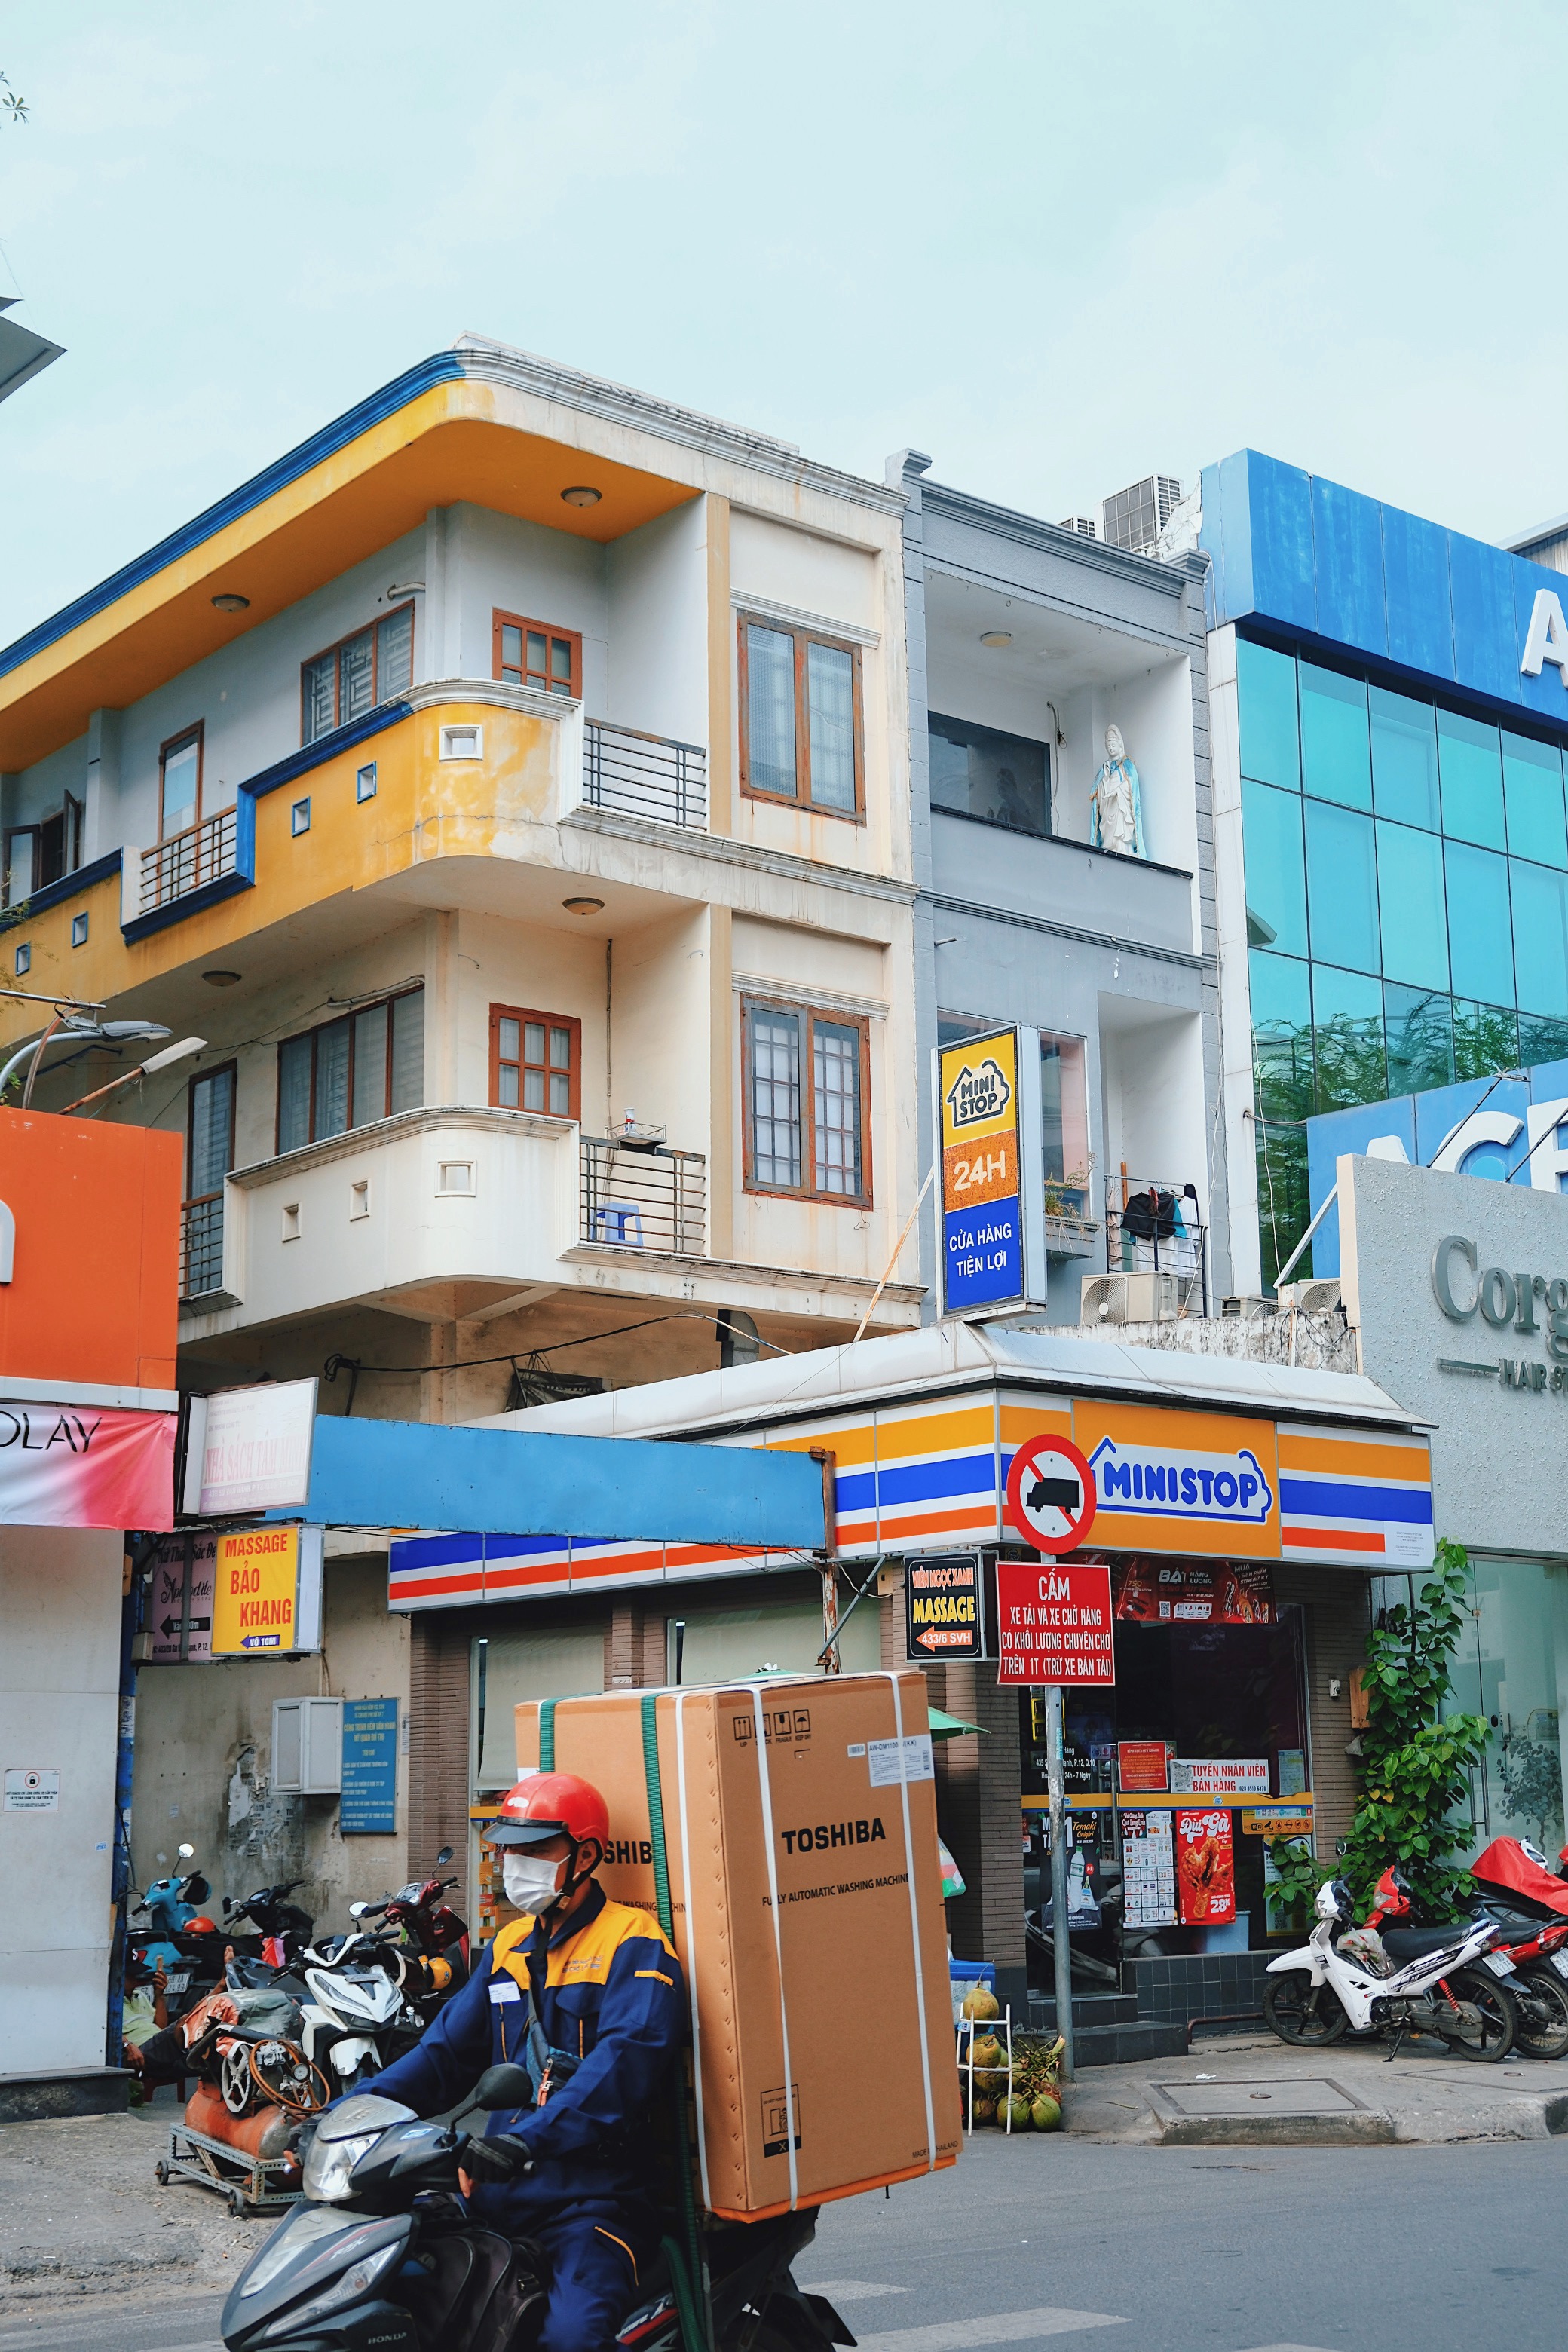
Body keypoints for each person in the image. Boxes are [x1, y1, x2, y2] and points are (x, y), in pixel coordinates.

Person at [348, 1772, 684, 2352]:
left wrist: (527, 2140)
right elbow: (442, 2058)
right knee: (395, 2295)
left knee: (570, 2339)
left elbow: (622, 2066)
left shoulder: (634, 1944)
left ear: (586, 1855)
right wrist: (348, 2111)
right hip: (494, 2191)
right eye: (509, 1848)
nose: (514, 1862)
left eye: (536, 1849)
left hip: (592, 2201)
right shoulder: (511, 1946)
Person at [1090, 724, 1146, 858]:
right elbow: (1096, 793)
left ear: (1120, 745)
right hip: (1109, 808)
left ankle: (1123, 848)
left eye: (1113, 745)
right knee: (1110, 832)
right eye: (1108, 746)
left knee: (1121, 829)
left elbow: (1131, 786)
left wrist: (1118, 791)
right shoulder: (1104, 768)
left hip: (1120, 808)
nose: (1111, 748)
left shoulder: (1127, 765)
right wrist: (1106, 779)